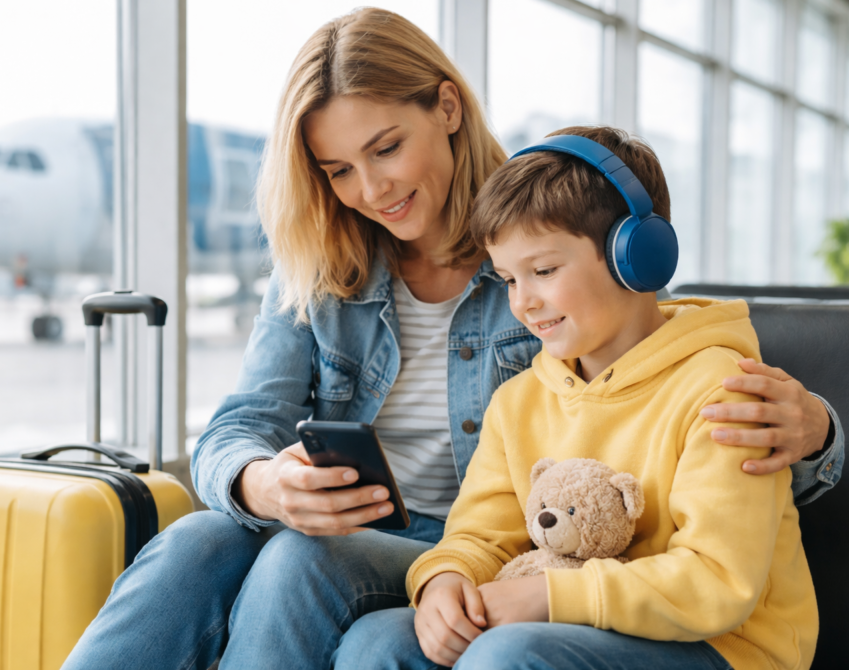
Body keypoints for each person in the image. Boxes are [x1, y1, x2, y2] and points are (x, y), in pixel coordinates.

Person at [62, 9, 841, 670]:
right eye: (337, 170)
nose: (371, 191)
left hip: (501, 548)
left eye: (386, 148)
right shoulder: (322, 261)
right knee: (201, 537)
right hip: (426, 542)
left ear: (447, 108)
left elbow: (658, 416)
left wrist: (817, 435)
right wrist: (261, 481)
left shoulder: (552, 229)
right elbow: (238, 425)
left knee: (307, 562)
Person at [334, 125, 819, 670]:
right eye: (509, 280)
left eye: (543, 271)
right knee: (375, 642)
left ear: (636, 257)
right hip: (582, 627)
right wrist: (446, 580)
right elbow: (480, 534)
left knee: (505, 654)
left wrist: (549, 596)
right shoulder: (518, 401)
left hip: (724, 649)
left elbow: (718, 582)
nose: (524, 303)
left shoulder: (726, 392)